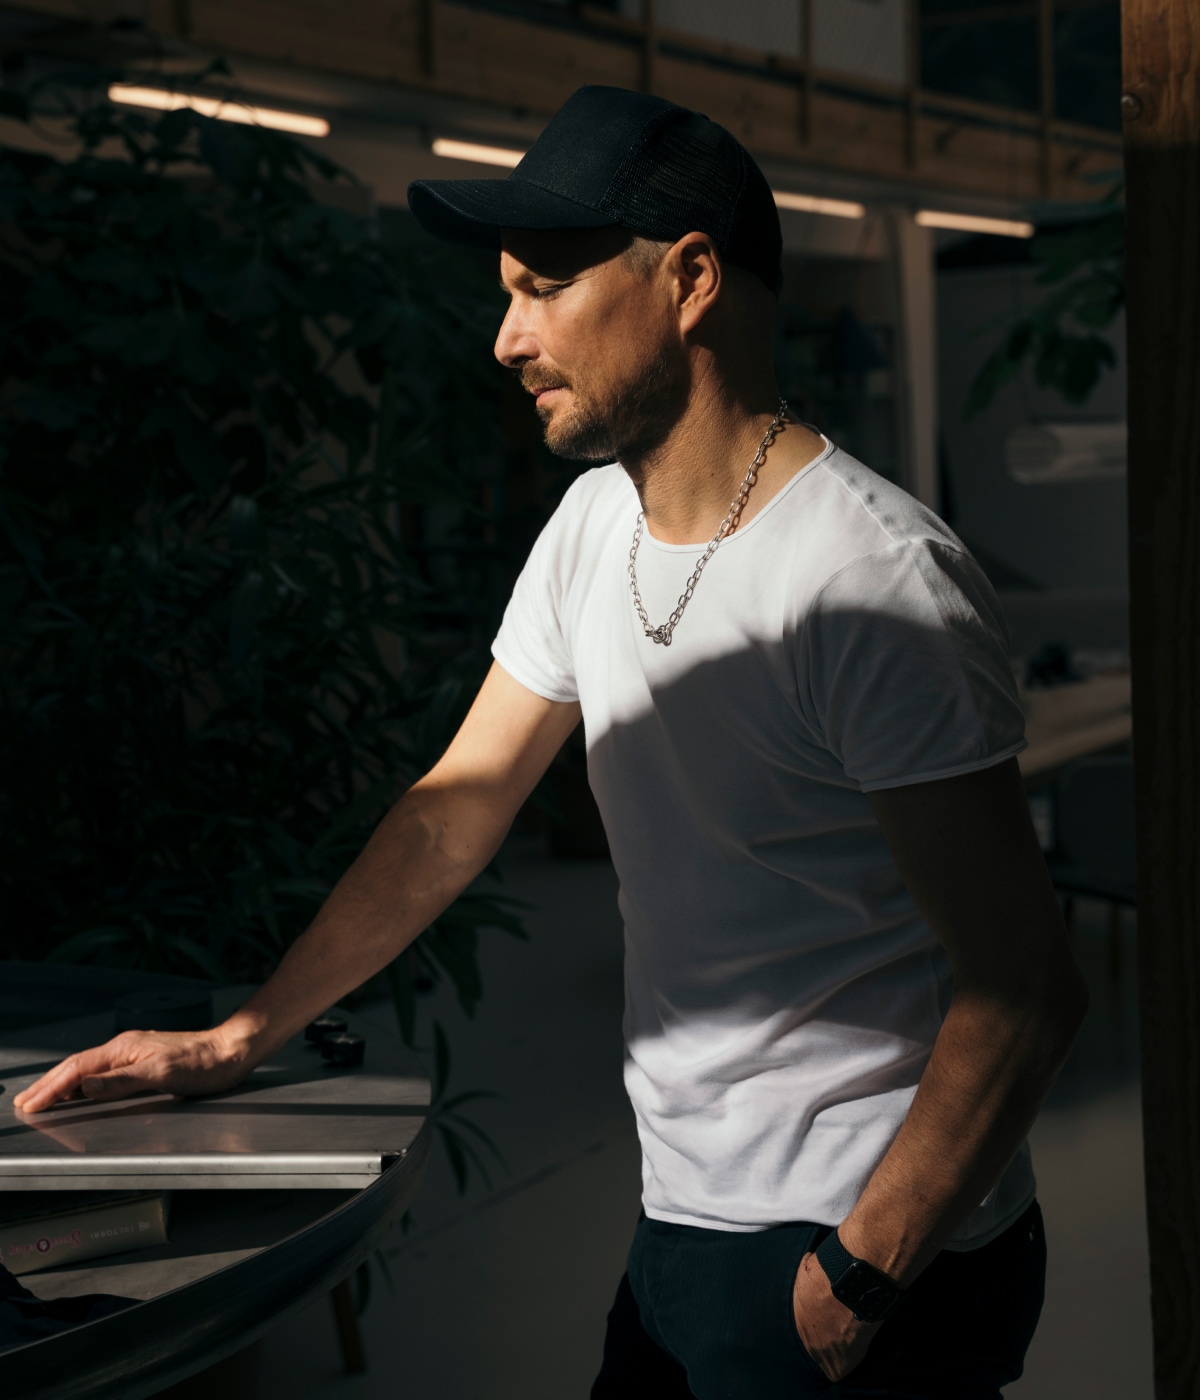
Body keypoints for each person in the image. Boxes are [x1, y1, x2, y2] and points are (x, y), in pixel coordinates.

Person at [16, 87, 1087, 1398]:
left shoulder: (870, 583)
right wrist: (242, 1037)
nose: (506, 338)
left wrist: (862, 1274)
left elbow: (1024, 987)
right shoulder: (593, 527)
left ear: (690, 280)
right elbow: (453, 811)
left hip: (863, 1252)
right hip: (687, 1218)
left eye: (543, 288)